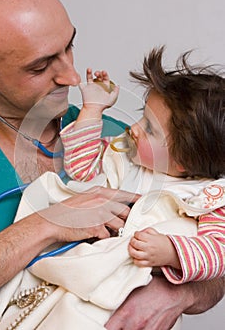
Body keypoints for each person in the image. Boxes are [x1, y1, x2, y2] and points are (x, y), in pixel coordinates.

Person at [0, 0, 223, 329]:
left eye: (69, 46)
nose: (70, 76)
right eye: (40, 67)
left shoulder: (119, 137)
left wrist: (178, 293)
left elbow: (212, 249)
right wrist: (47, 224)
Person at [60, 46, 225, 284]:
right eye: (143, 116)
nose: (134, 129)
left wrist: (171, 252)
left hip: (131, 287)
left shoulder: (207, 198)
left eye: (149, 128)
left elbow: (219, 252)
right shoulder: (123, 154)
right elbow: (80, 170)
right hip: (88, 269)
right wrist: (93, 109)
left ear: (183, 162)